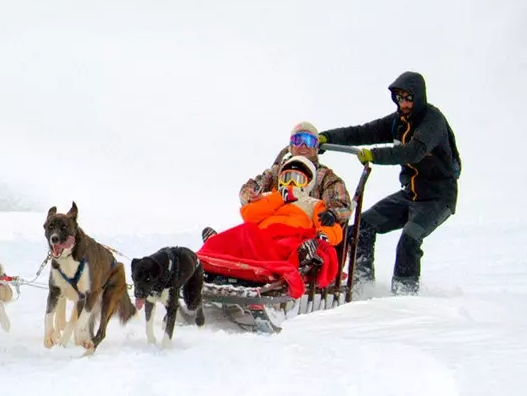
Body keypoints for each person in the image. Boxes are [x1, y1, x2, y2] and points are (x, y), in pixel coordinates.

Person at [319, 71, 461, 296]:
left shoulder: (432, 121)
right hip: (410, 195)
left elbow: (413, 152)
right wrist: (326, 137)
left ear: (419, 98)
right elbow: (363, 132)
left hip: (437, 199)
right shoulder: (398, 122)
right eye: (399, 98)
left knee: (409, 238)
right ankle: (362, 286)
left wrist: (374, 155)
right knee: (363, 226)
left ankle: (403, 297)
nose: (403, 103)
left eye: (408, 98)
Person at [197, 152, 344, 298]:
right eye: (287, 178)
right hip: (264, 235)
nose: (291, 183)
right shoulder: (270, 197)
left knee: (286, 245)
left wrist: (325, 235)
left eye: (298, 179)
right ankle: (215, 247)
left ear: (307, 183)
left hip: (292, 236)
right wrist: (279, 198)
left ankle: (301, 256)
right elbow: (249, 215)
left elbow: (331, 228)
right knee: (247, 231)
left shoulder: (315, 204)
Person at [202, 122, 351, 242]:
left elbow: (341, 203)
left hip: (305, 231)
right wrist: (251, 195)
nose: (302, 146)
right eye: (298, 140)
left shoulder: (326, 177)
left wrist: (332, 213)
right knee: (249, 232)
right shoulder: (277, 171)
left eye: (308, 141)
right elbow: (252, 188)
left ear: (316, 146)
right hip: (270, 225)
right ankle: (219, 244)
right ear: (291, 145)